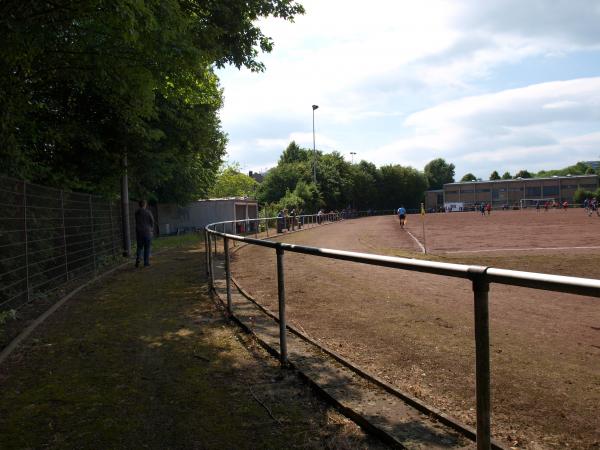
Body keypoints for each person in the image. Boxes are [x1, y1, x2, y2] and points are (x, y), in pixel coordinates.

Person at [135, 200, 154, 268]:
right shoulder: (148, 212)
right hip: (147, 232)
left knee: (139, 247)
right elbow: (152, 221)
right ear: (145, 205)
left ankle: (139, 257)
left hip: (139, 232)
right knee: (147, 248)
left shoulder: (136, 213)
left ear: (139, 205)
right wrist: (151, 229)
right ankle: (146, 263)